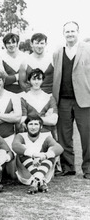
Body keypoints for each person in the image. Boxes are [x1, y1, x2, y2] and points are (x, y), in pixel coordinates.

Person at [53, 21, 90, 179]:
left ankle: (88, 168)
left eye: (72, 31)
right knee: (64, 136)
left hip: (84, 100)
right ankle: (68, 167)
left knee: (87, 136)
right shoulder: (57, 53)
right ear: (63, 34)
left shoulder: (87, 50)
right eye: (67, 32)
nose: (70, 34)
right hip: (63, 100)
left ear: (78, 32)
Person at [12, 115, 63, 194]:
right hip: (26, 175)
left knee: (51, 152)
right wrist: (34, 155)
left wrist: (45, 155)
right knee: (22, 151)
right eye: (30, 124)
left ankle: (37, 179)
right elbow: (15, 146)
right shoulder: (21, 136)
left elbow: (59, 148)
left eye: (36, 124)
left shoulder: (46, 136)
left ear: (41, 126)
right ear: (26, 126)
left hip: (44, 173)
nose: (33, 127)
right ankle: (39, 178)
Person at [21, 68, 58, 137]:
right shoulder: (24, 98)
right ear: (29, 81)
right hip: (29, 136)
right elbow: (23, 121)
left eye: (39, 79)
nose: (36, 82)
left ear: (42, 80)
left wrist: (31, 120)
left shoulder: (50, 98)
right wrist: (45, 118)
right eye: (34, 79)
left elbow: (53, 121)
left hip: (47, 135)